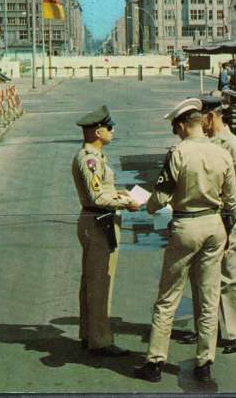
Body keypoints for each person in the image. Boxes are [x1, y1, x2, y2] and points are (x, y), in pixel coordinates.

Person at [134, 98, 236, 383]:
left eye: (175, 128)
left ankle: (155, 362)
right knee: (208, 298)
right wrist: (227, 233)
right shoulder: (222, 152)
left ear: (182, 125)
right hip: (214, 225)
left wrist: (147, 205)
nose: (176, 133)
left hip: (186, 225)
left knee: (168, 297)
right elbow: (231, 203)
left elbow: (161, 197)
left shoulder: (178, 153)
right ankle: (205, 363)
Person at [178, 93, 236, 354]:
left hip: (226, 218)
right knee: (202, 275)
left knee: (229, 276)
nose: (201, 125)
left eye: (203, 119)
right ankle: (206, 329)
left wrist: (230, 216)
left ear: (211, 116)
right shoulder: (207, 142)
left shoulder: (231, 144)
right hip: (209, 218)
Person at [71, 105, 140, 356]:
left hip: (99, 220)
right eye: (109, 128)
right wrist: (126, 202)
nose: (113, 131)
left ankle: (89, 334)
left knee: (92, 280)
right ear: (99, 131)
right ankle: (100, 341)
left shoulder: (95, 156)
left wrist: (117, 193)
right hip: (98, 221)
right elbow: (96, 197)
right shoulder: (89, 158)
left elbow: (102, 191)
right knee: (99, 282)